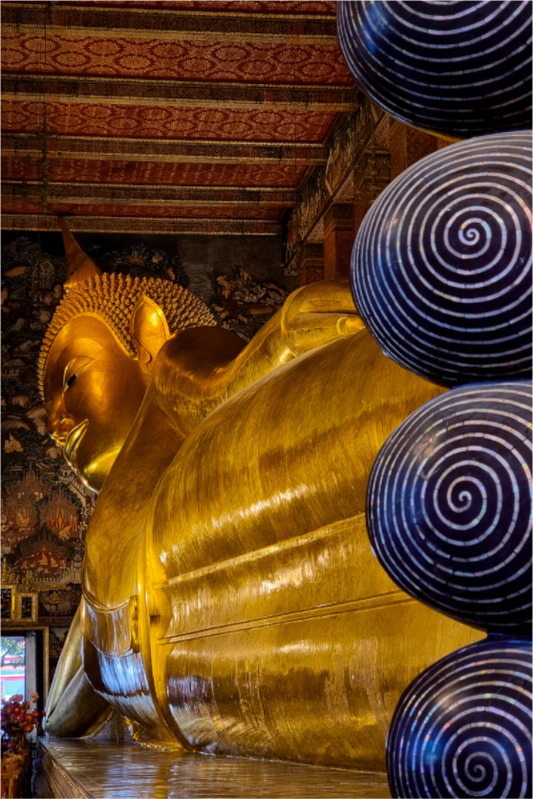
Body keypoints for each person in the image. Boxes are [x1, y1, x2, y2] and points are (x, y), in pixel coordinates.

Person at [42, 221, 481, 769]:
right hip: (192, 672)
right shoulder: (101, 559)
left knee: (412, 449)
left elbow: (228, 378)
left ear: (142, 341)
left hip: (208, 508)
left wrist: (286, 333)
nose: (55, 421)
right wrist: (46, 730)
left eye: (69, 379)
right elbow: (72, 695)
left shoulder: (174, 363)